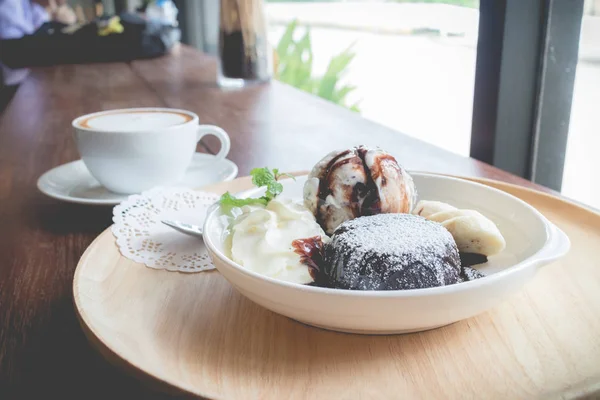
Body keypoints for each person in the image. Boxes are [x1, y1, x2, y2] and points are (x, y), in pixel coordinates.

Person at [0, 0, 75, 111]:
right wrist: (55, 19)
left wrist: (57, 19)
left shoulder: (36, 6)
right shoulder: (11, 3)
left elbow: (43, 34)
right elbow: (13, 53)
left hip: (34, 85)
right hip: (14, 89)